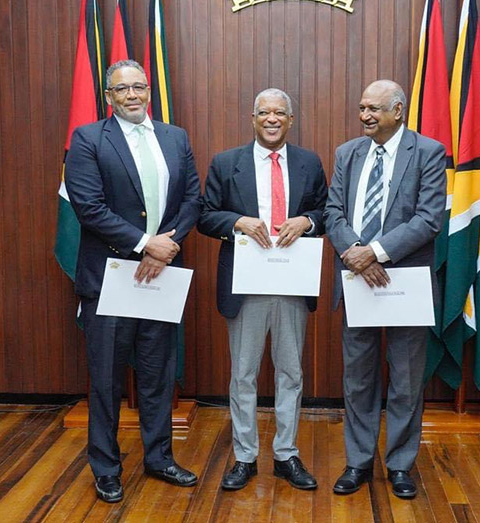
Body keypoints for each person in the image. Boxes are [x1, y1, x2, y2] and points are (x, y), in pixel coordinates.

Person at [65, 59, 201, 503]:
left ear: (148, 91)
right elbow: (89, 206)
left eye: (139, 87)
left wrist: (168, 244)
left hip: (161, 274)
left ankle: (159, 458)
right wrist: (146, 244)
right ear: (109, 96)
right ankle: (106, 467)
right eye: (122, 89)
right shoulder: (87, 139)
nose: (132, 95)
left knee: (157, 375)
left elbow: (192, 200)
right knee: (105, 379)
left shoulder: (174, 137)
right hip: (110, 277)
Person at [198, 88, 328, 491]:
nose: (272, 119)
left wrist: (307, 220)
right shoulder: (226, 162)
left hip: (291, 282)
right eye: (264, 113)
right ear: (252, 119)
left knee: (291, 372)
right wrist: (237, 221)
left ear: (291, 120)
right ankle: (245, 456)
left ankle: (287, 454)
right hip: (246, 283)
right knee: (243, 374)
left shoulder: (309, 162)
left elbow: (327, 210)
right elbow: (204, 216)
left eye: (280, 113)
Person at [324, 80, 446, 498]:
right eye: (361, 108)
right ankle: (358, 463)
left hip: (404, 281)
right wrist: (354, 251)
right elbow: (332, 211)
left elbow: (429, 219)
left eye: (374, 108)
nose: (365, 116)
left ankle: (399, 466)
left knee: (407, 380)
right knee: (358, 378)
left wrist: (375, 252)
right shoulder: (347, 153)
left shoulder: (428, 152)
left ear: (398, 110)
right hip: (356, 277)